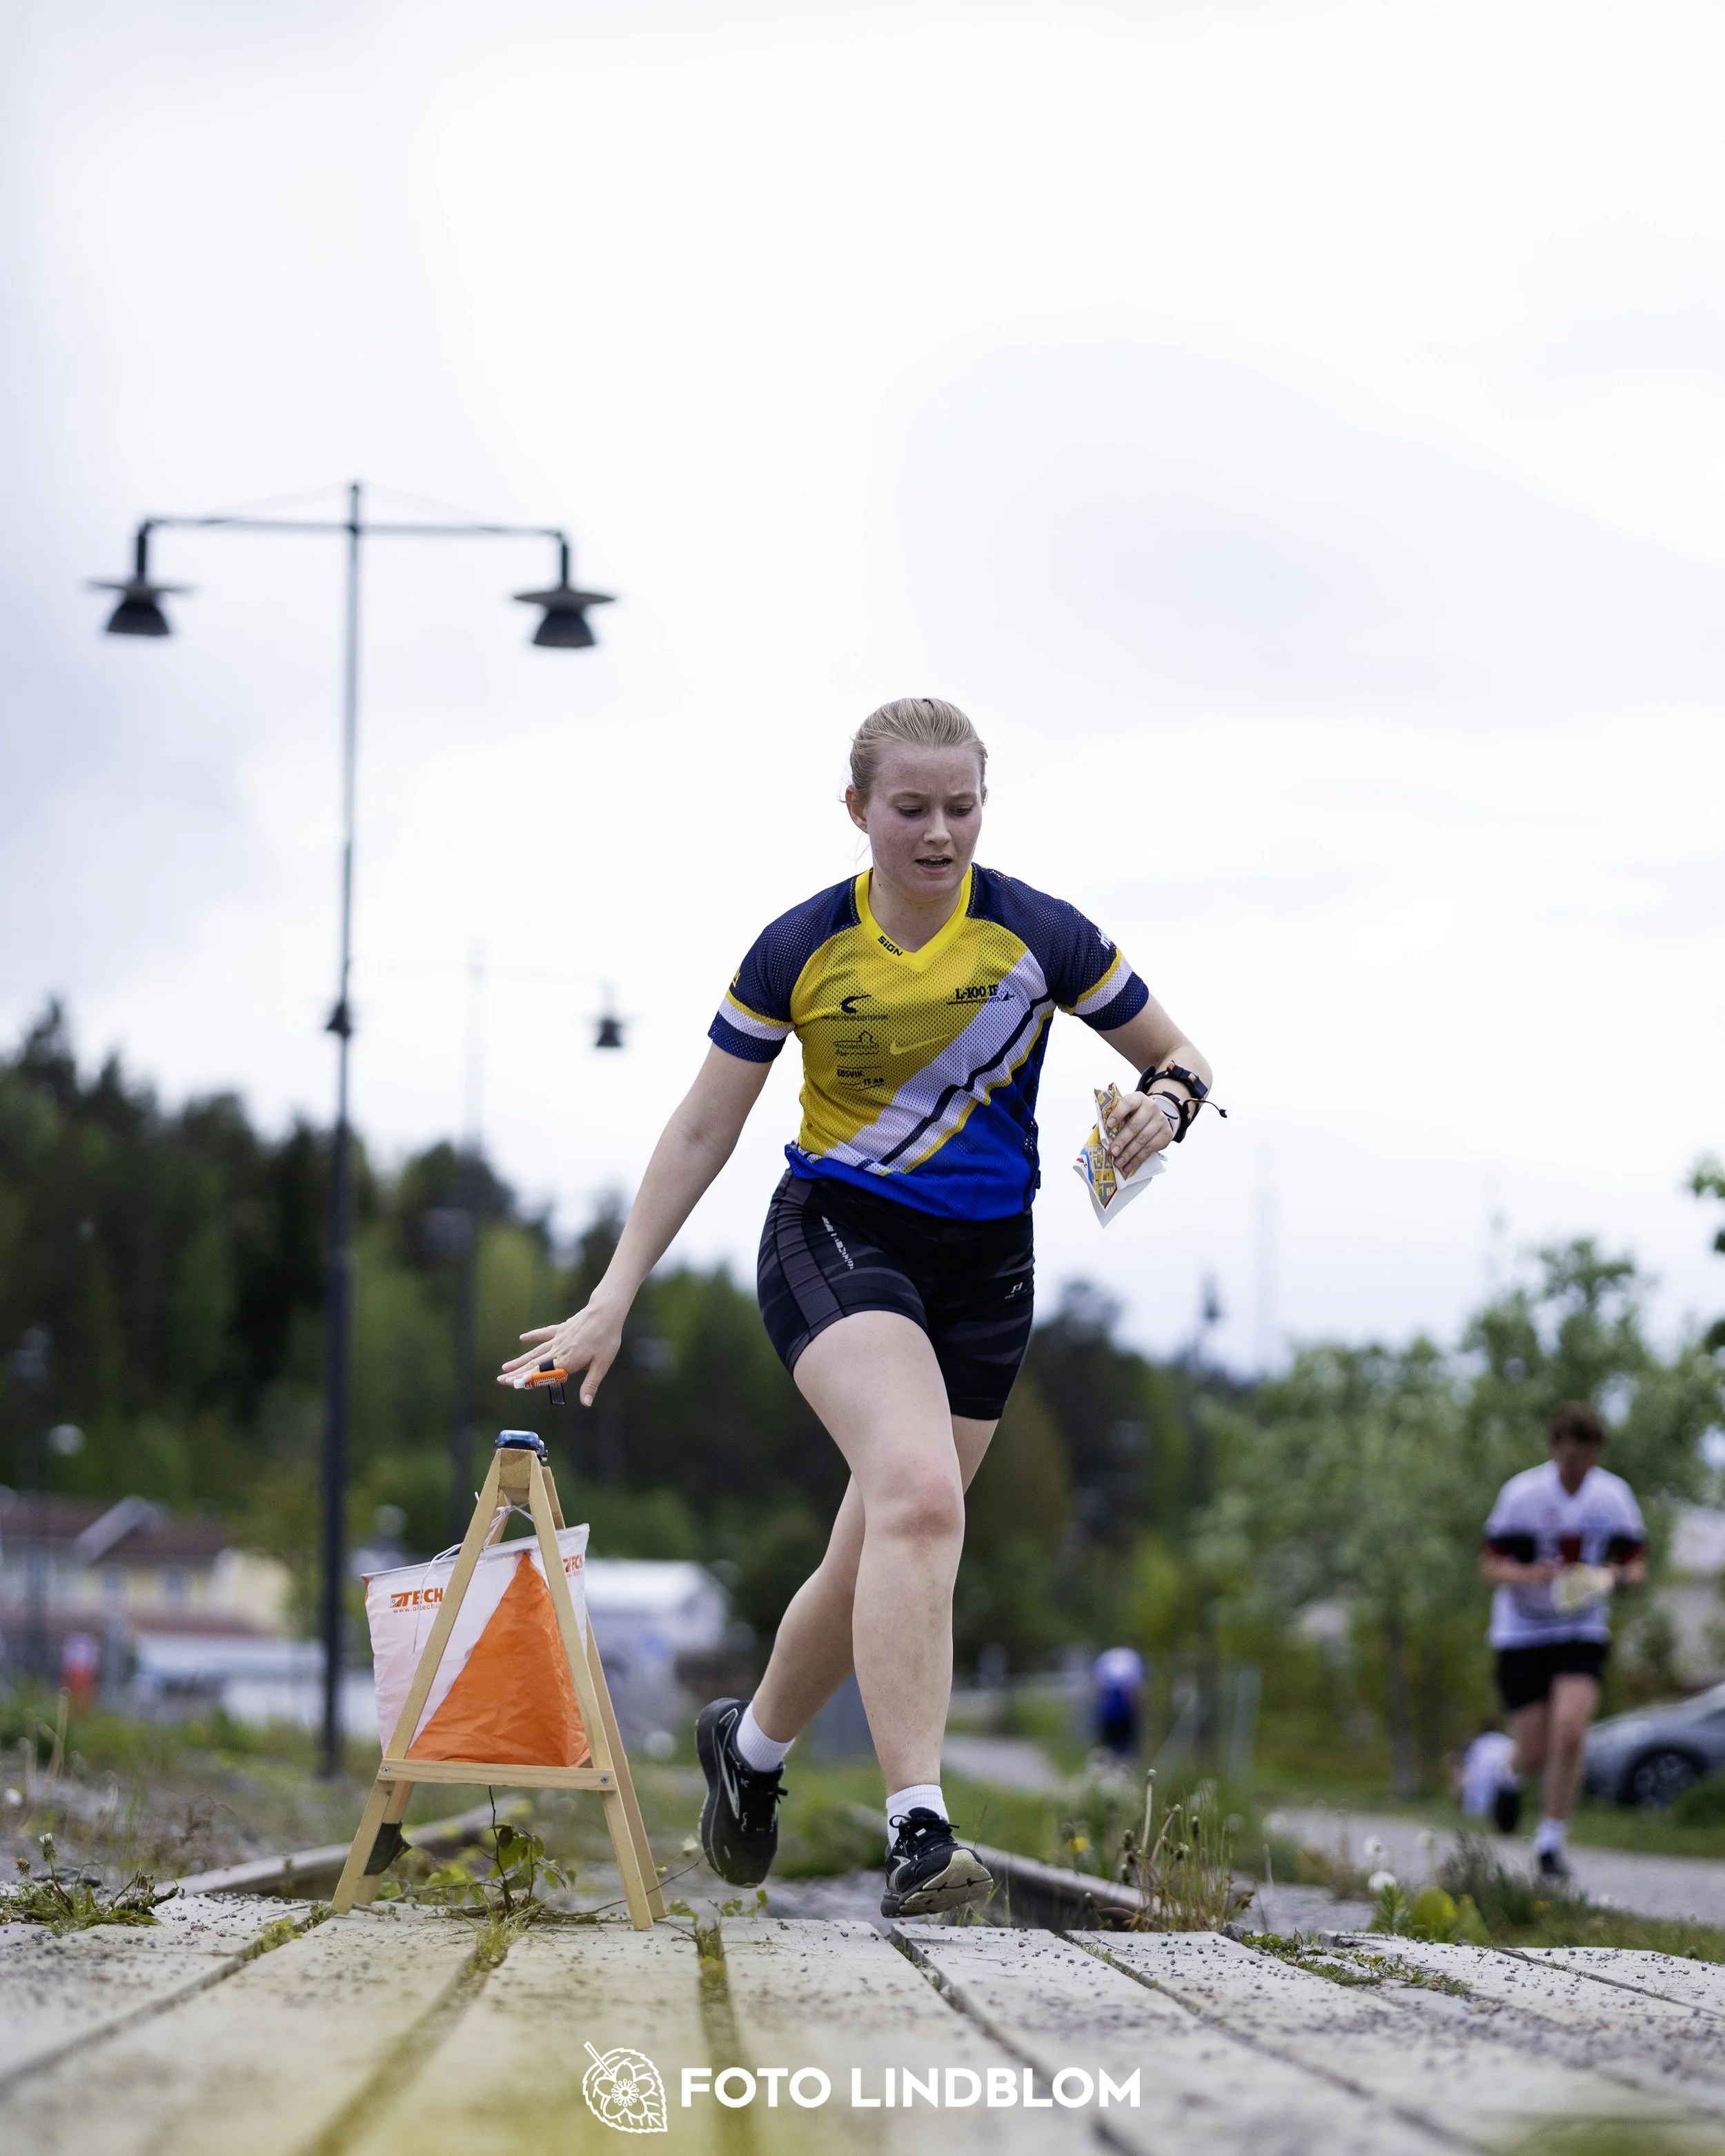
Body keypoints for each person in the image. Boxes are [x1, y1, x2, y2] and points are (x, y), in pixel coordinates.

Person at [500, 696, 1214, 1917]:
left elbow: (1183, 1059)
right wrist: (615, 1295)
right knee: (923, 1499)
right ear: (858, 813)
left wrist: (1166, 1107)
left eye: (962, 808)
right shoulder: (802, 946)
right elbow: (703, 1126)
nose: (940, 834)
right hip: (838, 1239)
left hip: (987, 1270)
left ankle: (753, 1754)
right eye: (912, 809)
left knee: (883, 1540)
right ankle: (920, 1833)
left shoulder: (1041, 932)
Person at [1479, 1400, 1646, 1879]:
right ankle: (1507, 1774)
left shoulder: (1613, 1496)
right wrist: (1533, 1574)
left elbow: (1636, 1562)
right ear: (1554, 1450)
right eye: (1570, 1458)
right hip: (1522, 1630)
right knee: (1532, 1749)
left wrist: (1613, 1577)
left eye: (1586, 1459)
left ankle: (1551, 1843)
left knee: (1571, 1732)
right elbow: (1490, 1565)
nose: (1577, 1469)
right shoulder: (1522, 1494)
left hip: (1581, 1627)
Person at [1092, 1645, 1145, 1758]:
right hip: (1124, 1705)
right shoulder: (1133, 1657)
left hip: (1109, 1704)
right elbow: (1137, 1688)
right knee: (1126, 1742)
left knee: (1108, 1741)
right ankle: (1123, 1764)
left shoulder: (1107, 1657)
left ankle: (1110, 1765)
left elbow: (1096, 1686)